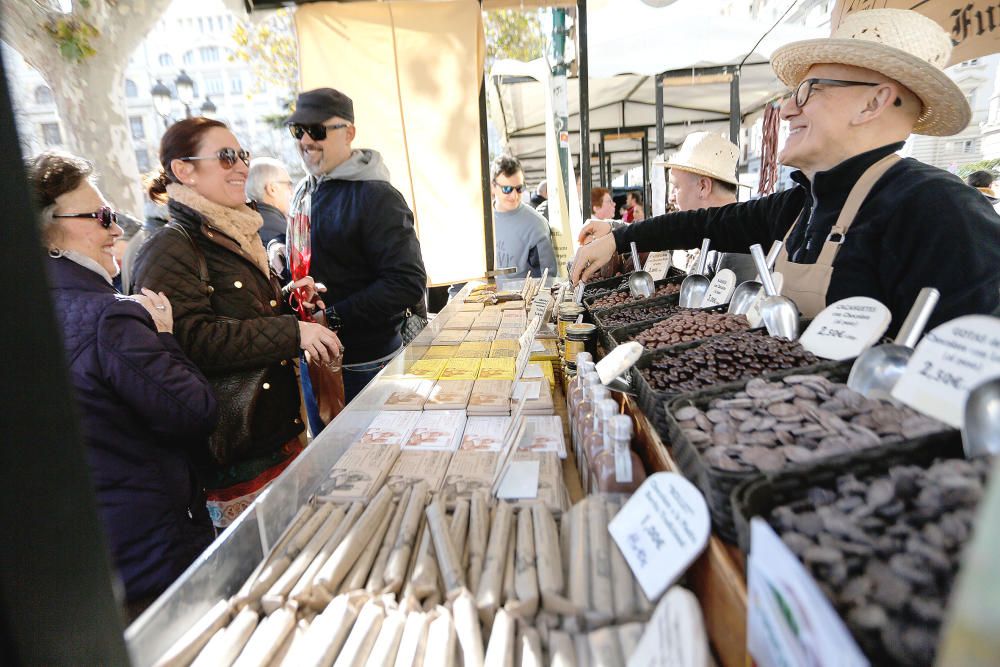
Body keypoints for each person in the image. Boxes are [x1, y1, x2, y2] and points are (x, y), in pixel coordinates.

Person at [573, 9, 1000, 333]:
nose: (787, 107)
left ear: (873, 103)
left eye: (808, 91)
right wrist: (618, 237)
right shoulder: (804, 203)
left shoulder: (941, 211)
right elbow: (707, 222)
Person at [29, 151, 218, 617]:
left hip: (87, 560)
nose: (116, 229)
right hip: (155, 555)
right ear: (48, 231)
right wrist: (167, 338)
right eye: (100, 216)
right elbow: (195, 411)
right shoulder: (112, 316)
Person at [132, 117, 343, 528]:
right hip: (235, 450)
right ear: (184, 170)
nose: (241, 167)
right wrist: (293, 331)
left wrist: (287, 299)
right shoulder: (170, 246)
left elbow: (239, 314)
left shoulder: (231, 232)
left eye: (242, 155)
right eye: (227, 157)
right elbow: (191, 339)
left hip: (272, 430)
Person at [286, 88, 427, 403]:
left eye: (318, 130)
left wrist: (332, 318)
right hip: (314, 360)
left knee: (372, 453)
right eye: (298, 130)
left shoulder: (377, 196)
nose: (306, 140)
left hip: (365, 366)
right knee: (328, 452)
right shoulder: (303, 191)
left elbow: (406, 282)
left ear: (348, 133)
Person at [655, 131, 741, 271]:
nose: (671, 197)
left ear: (703, 187)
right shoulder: (712, 233)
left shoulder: (735, 247)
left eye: (676, 187)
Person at [490, 154, 559, 281]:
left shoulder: (536, 224)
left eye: (519, 188)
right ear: (493, 186)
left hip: (519, 300)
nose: (514, 195)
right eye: (506, 189)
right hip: (478, 298)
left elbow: (546, 279)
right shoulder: (479, 221)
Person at [246, 157, 294, 245]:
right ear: (272, 189)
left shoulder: (238, 225)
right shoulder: (285, 234)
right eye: (289, 185)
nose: (292, 192)